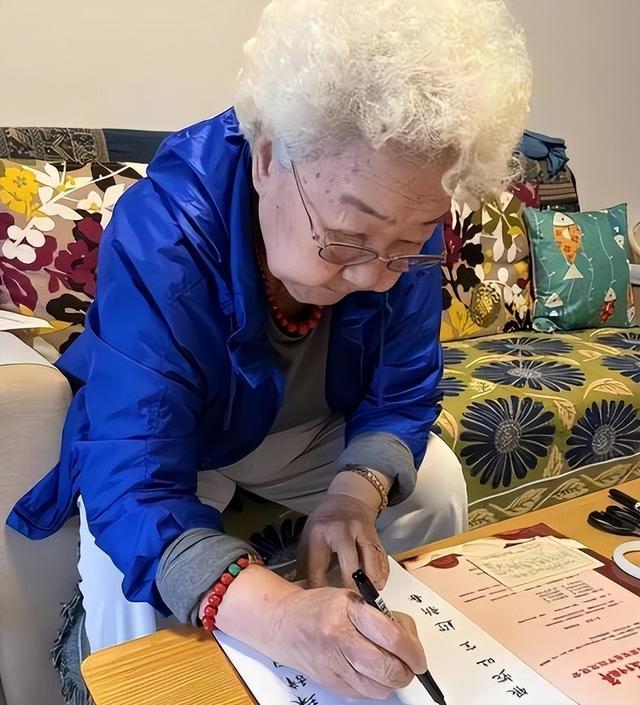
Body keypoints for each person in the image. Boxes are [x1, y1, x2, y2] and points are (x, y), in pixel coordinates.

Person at [7, 0, 531, 699]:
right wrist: (280, 616)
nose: (377, 274)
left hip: (302, 430)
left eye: (409, 243)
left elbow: (403, 390)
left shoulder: (399, 219)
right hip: (182, 439)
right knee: (123, 577)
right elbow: (136, 472)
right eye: (346, 238)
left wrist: (353, 493)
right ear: (265, 159)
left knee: (433, 484)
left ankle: (380, 669)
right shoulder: (166, 232)